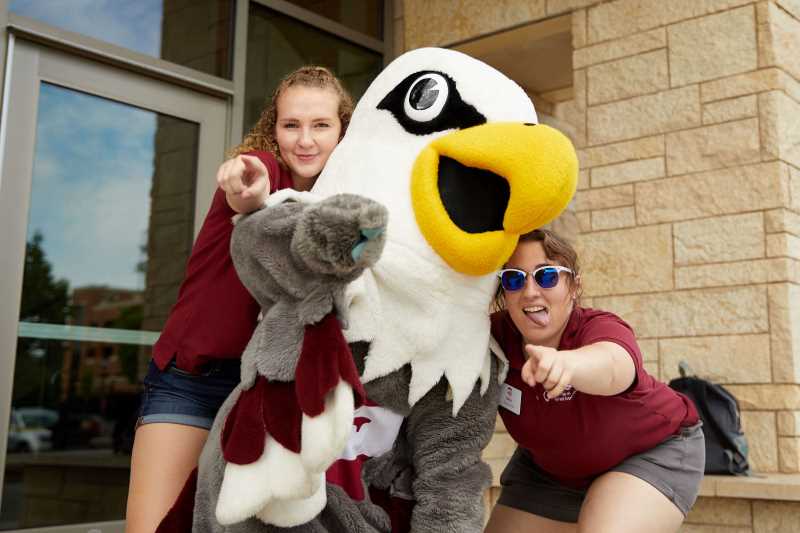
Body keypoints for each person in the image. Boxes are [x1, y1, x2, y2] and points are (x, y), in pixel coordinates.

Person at [124, 66, 353, 533]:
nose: (304, 140)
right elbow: (250, 183)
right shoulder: (265, 168)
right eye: (291, 125)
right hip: (192, 380)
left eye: (320, 125)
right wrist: (243, 179)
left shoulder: (339, 204)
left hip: (264, 392)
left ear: (342, 130)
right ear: (274, 129)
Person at [485, 229, 704, 533]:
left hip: (650, 451)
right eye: (514, 279)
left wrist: (567, 363)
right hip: (551, 470)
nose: (530, 291)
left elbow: (615, 366)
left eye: (546, 276)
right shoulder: (493, 336)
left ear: (575, 286)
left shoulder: (598, 327)